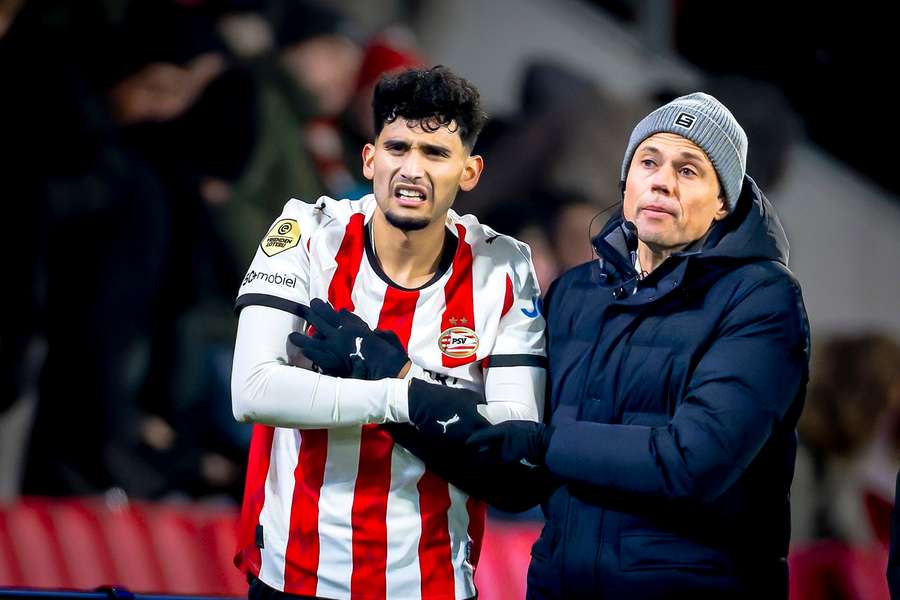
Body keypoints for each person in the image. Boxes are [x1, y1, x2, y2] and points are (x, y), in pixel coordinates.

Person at [468, 92, 810, 598]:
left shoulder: (762, 299)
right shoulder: (575, 292)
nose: (662, 180)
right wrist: (412, 394)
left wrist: (545, 442)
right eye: (648, 161)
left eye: (689, 170)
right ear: (626, 181)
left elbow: (692, 461)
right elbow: (519, 473)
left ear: (723, 202)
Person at [230, 66, 546, 600]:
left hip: (432, 584)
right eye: (398, 147)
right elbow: (253, 391)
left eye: (435, 153)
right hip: (293, 579)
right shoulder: (307, 232)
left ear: (470, 171)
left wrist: (394, 371)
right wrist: (403, 395)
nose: (412, 169)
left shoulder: (505, 267)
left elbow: (516, 440)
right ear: (370, 158)